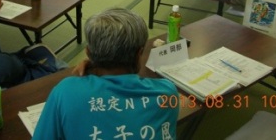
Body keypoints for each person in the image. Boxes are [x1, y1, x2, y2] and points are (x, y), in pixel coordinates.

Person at [33, 8, 179, 140]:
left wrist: (82, 78)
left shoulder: (65, 91)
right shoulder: (167, 93)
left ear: (88, 53)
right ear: (139, 54)